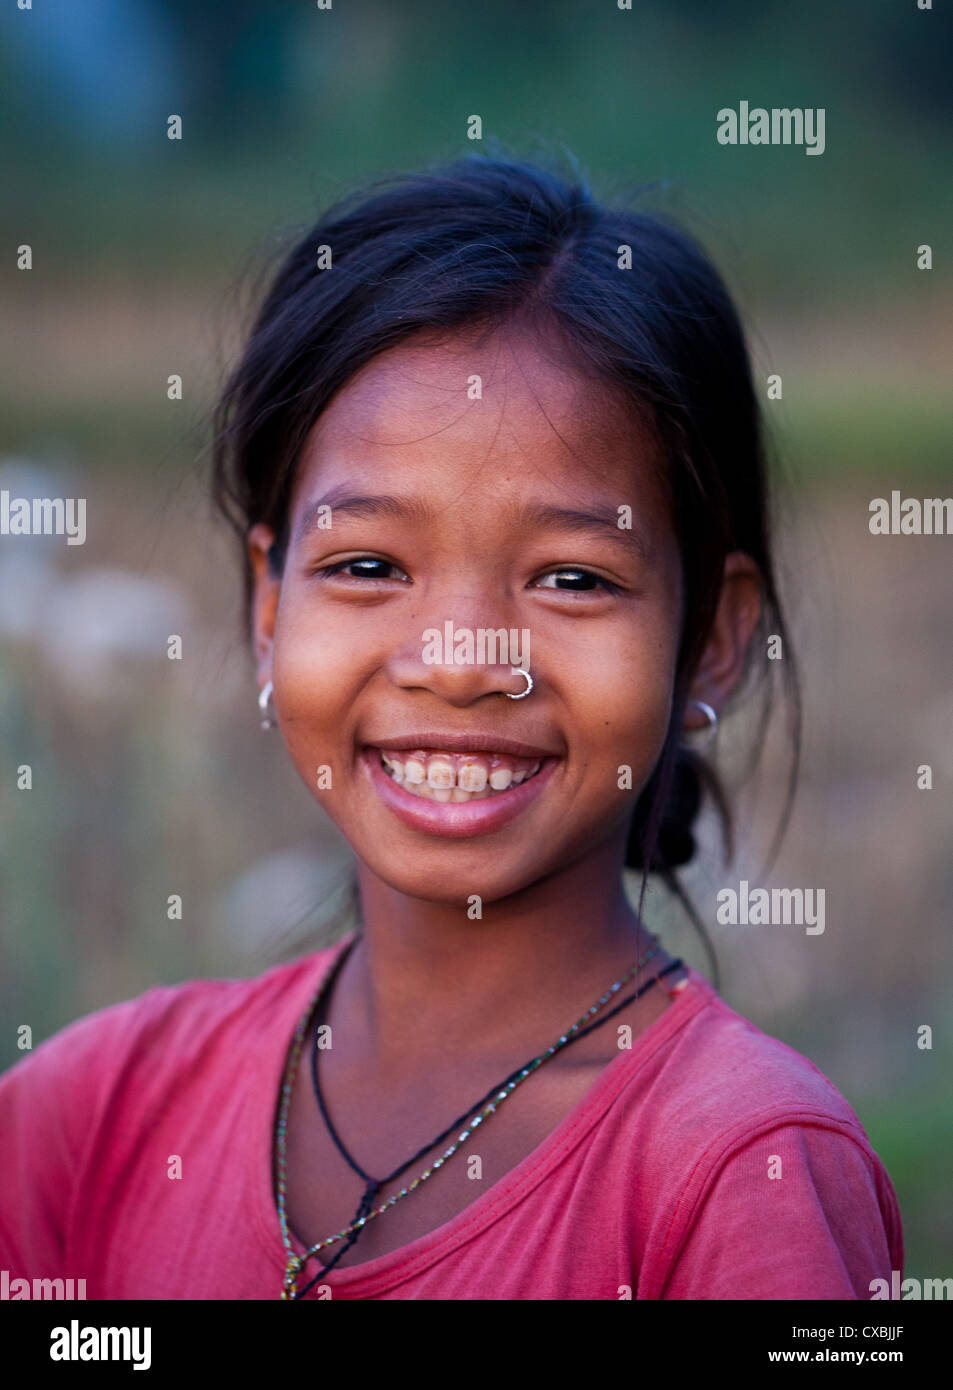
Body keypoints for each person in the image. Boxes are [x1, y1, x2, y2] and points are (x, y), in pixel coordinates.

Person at [0, 154, 902, 1300]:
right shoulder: (91, 1118)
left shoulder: (741, 1175)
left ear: (711, 639)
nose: (462, 661)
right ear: (272, 607)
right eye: (368, 564)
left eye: (571, 578)